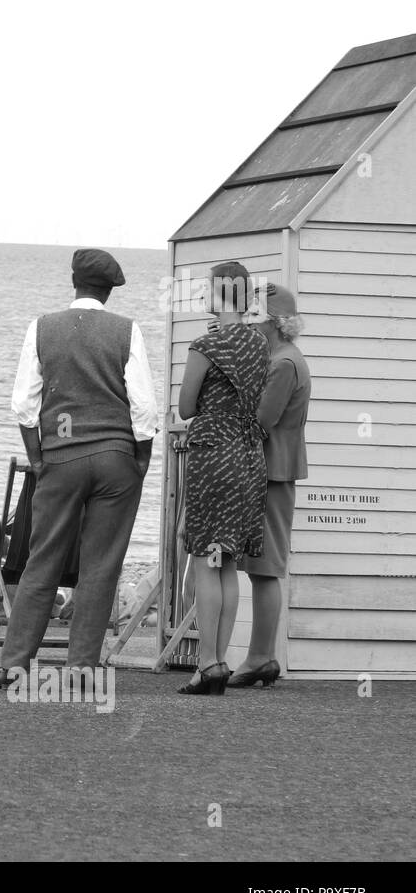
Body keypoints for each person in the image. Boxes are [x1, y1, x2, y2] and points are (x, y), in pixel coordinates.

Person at [0, 248, 159, 688]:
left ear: (74, 282)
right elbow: (144, 408)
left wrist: (37, 456)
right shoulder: (127, 331)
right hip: (115, 460)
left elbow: (24, 405)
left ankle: (15, 663)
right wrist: (140, 459)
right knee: (101, 565)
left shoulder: (42, 327)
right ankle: (81, 667)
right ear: (109, 290)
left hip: (60, 458)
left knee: (42, 560)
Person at [176, 261, 269, 695]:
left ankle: (207, 663)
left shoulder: (205, 345)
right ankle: (221, 661)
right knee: (227, 561)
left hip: (214, 455)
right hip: (249, 456)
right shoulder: (260, 344)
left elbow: (186, 406)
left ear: (219, 294)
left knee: (205, 558)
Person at [230, 283, 309, 688]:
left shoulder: (282, 363)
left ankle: (261, 656)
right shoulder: (286, 357)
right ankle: (260, 656)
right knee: (263, 566)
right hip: (273, 469)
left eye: (256, 318)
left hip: (271, 471)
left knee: (266, 566)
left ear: (275, 323)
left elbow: (262, 420)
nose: (250, 325)